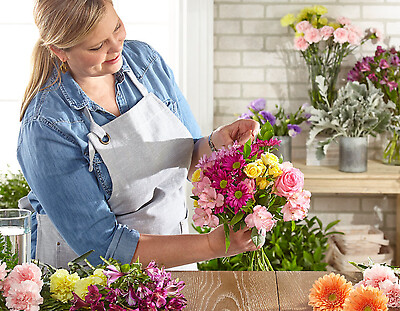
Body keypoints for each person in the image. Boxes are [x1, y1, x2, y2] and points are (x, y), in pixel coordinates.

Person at [17, 0, 261, 269]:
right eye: (97, 46)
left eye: (117, 27)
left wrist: (216, 144)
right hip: (90, 284)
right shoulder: (47, 126)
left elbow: (188, 159)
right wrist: (213, 245)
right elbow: (103, 246)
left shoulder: (144, 62)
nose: (116, 46)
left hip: (178, 263)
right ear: (59, 51)